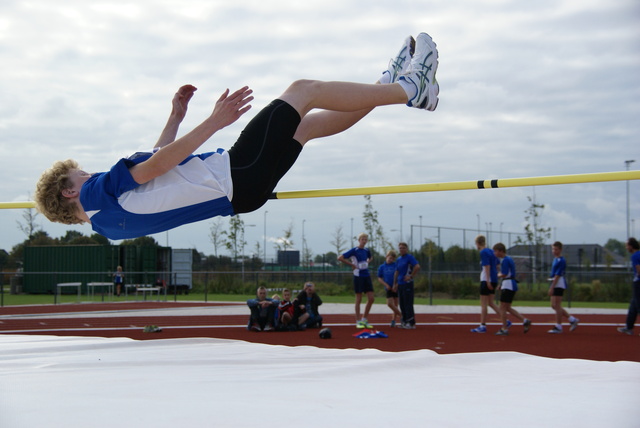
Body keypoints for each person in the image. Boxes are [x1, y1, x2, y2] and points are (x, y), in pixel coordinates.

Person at [33, 33, 439, 240]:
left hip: (240, 195)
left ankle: (385, 85)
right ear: (70, 194)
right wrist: (214, 121)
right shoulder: (95, 194)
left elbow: (156, 174)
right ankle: (409, 90)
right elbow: (156, 166)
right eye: (80, 175)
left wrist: (175, 117)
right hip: (234, 172)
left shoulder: (107, 224)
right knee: (303, 91)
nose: (88, 175)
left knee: (307, 126)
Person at [492, 243, 531, 336]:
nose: (495, 253)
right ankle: (524, 320)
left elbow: (505, 274)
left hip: (508, 285)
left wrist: (497, 275)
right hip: (510, 284)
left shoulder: (505, 260)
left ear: (500, 251)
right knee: (507, 307)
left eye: (496, 251)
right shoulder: (508, 259)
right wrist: (501, 284)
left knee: (502, 307)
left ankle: (504, 328)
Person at [338, 233, 375, 328]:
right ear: (359, 240)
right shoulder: (354, 250)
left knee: (371, 298)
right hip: (358, 276)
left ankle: (364, 319)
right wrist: (352, 265)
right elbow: (340, 258)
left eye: (366, 239)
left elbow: (371, 257)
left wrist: (367, 262)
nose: (364, 240)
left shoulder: (367, 250)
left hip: (366, 275)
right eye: (362, 239)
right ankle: (358, 321)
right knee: (359, 298)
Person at [470, 235, 501, 333]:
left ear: (478, 243)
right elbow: (497, 265)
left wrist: (487, 281)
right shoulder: (492, 251)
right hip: (494, 279)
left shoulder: (483, 252)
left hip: (486, 279)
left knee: (483, 304)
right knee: (491, 302)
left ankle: (482, 325)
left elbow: (486, 266)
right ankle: (505, 319)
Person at [547, 241, 579, 334]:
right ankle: (572, 319)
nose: (554, 251)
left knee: (557, 305)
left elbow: (558, 275)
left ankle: (559, 326)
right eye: (553, 249)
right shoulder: (555, 259)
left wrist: (552, 287)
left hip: (559, 284)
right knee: (554, 305)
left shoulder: (561, 260)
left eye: (556, 249)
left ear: (560, 250)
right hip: (555, 282)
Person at [394, 242, 421, 329]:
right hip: (400, 284)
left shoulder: (409, 257)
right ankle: (404, 321)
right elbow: (397, 271)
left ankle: (411, 322)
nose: (401, 249)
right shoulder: (398, 259)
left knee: (408, 303)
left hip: (407, 284)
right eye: (400, 248)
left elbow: (417, 266)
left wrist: (411, 276)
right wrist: (395, 283)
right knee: (401, 304)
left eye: (403, 248)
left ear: (406, 249)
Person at [617, 237, 640, 335]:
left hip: (638, 282)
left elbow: (639, 270)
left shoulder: (635, 256)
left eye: (627, 246)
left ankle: (629, 327)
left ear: (631, 246)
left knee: (638, 305)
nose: (626, 248)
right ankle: (629, 327)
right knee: (633, 306)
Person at [377, 250, 402, 327]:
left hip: (396, 287)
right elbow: (379, 278)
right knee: (389, 304)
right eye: (389, 258)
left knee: (395, 304)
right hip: (388, 287)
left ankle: (393, 320)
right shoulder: (382, 267)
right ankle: (402, 316)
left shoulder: (395, 265)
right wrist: (386, 285)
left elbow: (400, 276)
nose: (390, 259)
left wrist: (396, 285)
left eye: (392, 258)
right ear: (386, 257)